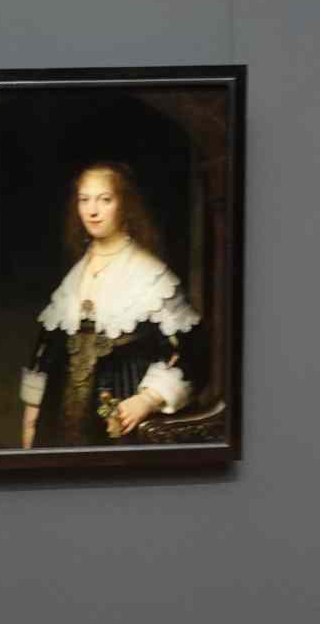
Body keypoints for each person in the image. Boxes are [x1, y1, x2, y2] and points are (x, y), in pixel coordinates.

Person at [19, 161, 203, 448]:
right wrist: (31, 421)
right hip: (58, 424)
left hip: (121, 423)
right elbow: (46, 352)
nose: (92, 211)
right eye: (84, 200)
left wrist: (147, 399)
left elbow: (191, 353)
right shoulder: (74, 276)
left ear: (124, 205)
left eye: (105, 200)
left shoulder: (150, 276)